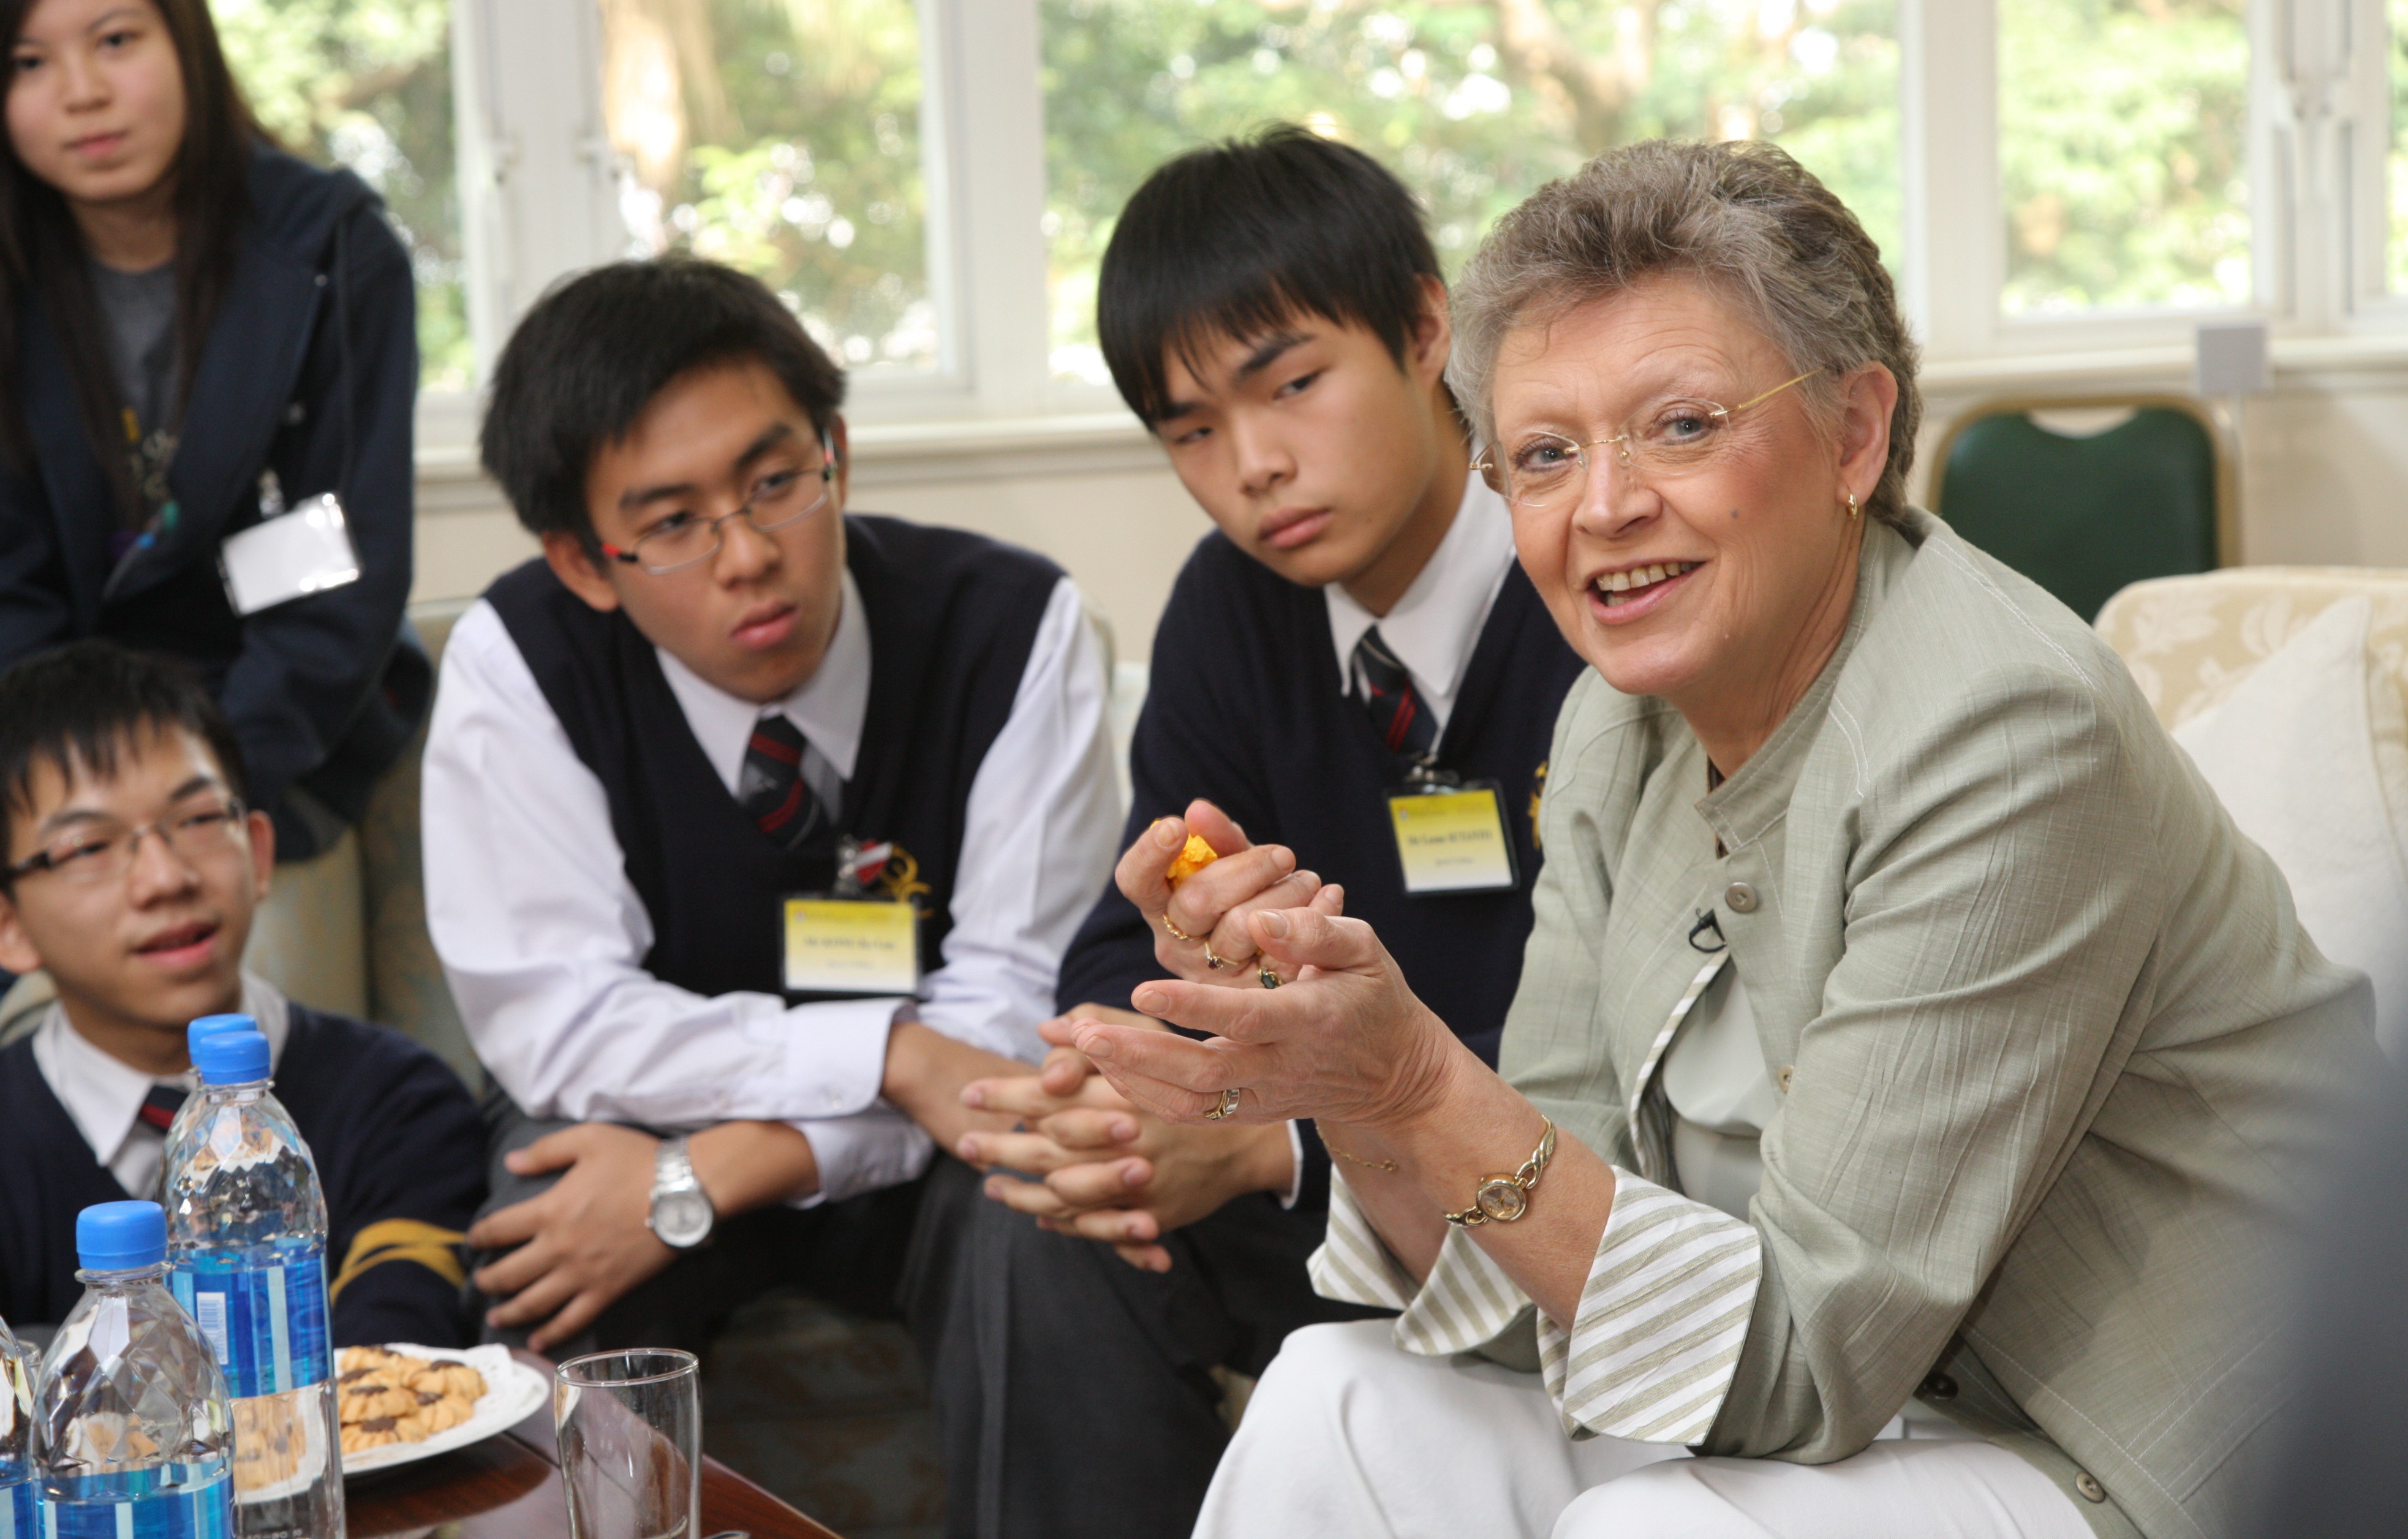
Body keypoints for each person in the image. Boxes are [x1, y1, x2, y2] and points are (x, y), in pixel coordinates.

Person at [1073, 140, 2379, 1539]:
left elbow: (1807, 1356)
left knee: (1654, 1533)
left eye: (1682, 425)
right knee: (1334, 1397)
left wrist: (1412, 1078)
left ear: (1853, 434)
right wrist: (1335, 1068)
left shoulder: (2003, 731)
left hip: (2148, 1452)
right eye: (1544, 454)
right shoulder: (1613, 726)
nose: (1604, 506)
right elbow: (1525, 1264)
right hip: (1862, 1412)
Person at [928, 126, 1588, 1539]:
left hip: (1561, 1185)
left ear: (1427, 328)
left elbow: (1608, 1030)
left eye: (1291, 385)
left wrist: (1267, 1132)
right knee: (1048, 1209)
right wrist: (1144, 1061)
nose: (1254, 466)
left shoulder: (1592, 575)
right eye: (1190, 431)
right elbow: (1124, 951)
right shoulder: (1232, 609)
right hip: (1336, 1193)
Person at [421, 256, 1120, 1361]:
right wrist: (890, 1056)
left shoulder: (1013, 625)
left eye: (774, 483)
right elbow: (562, 1022)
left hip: (913, 1147)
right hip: (650, 1110)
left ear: (836, 452)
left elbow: (1006, 1025)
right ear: (584, 562)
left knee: (1050, 1195)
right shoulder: (519, 661)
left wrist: (724, 1168)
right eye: (672, 523)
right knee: (549, 1221)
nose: (747, 555)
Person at [0, 0, 427, 1097]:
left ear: (185, 39)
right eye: (28, 63)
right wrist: (96, 807)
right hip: (67, 751)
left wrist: (200, 799)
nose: (82, 92)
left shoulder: (331, 251)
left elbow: (340, 574)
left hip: (288, 726)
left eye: (115, 41)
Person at [0, 641, 481, 1345]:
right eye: (89, 847)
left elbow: (396, 1374)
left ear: (259, 851)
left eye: (199, 818)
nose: (165, 877)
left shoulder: (400, 1105)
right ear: (5, 927)